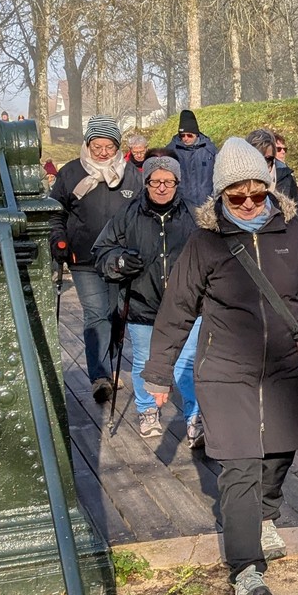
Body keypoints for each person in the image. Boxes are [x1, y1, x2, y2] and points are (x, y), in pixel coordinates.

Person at [144, 137, 298, 595]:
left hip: (285, 366)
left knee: (279, 451)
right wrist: (157, 374)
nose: (247, 204)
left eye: (256, 193)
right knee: (239, 465)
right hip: (225, 370)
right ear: (220, 195)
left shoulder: (295, 234)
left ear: (269, 189)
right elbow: (176, 310)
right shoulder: (205, 243)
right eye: (236, 196)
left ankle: (265, 514)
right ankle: (246, 570)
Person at [93, 155, 203, 445]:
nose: (162, 187)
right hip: (142, 302)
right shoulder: (127, 213)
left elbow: (214, 253)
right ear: (146, 183)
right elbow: (102, 250)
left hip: (187, 304)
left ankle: (194, 417)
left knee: (187, 362)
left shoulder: (195, 214)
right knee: (144, 359)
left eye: (168, 182)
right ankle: (147, 411)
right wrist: (119, 261)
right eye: (155, 181)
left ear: (177, 183)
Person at [49, 115, 143, 402]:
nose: (103, 152)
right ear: (87, 144)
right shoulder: (70, 173)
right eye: (97, 146)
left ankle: (110, 365)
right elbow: (55, 212)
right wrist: (58, 239)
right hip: (83, 257)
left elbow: (141, 214)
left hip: (118, 258)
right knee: (96, 313)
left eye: (109, 146)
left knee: (116, 314)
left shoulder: (130, 175)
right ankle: (99, 376)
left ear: (117, 146)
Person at [167, 109, 217, 209]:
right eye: (182, 135)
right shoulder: (170, 152)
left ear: (196, 134)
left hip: (206, 206)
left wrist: (213, 199)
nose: (185, 138)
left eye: (189, 135)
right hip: (180, 207)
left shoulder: (210, 150)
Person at [247, 127, 298, 205]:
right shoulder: (239, 180)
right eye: (279, 149)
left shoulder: (286, 175)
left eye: (268, 159)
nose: (283, 152)